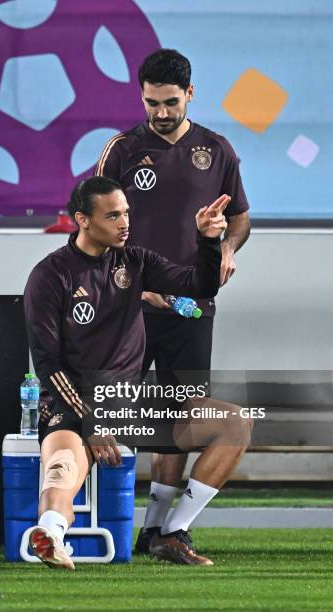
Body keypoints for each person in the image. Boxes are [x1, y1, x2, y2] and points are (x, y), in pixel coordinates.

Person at [23, 176, 252, 569]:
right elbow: (48, 363)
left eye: (126, 212)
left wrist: (209, 241)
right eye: (113, 215)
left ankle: (170, 532)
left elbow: (200, 285)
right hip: (75, 405)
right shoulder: (49, 276)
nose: (125, 222)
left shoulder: (136, 261)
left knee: (233, 424)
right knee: (62, 467)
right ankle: (51, 532)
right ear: (83, 219)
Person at [94, 48, 251, 553]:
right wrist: (130, 286)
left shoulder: (217, 150)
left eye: (169, 102)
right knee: (113, 413)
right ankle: (90, 522)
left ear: (190, 94)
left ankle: (161, 531)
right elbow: (92, 227)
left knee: (180, 417)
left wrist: (225, 247)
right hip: (130, 308)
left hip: (191, 308)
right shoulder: (121, 150)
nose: (160, 112)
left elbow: (242, 216)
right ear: (141, 96)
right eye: (151, 103)